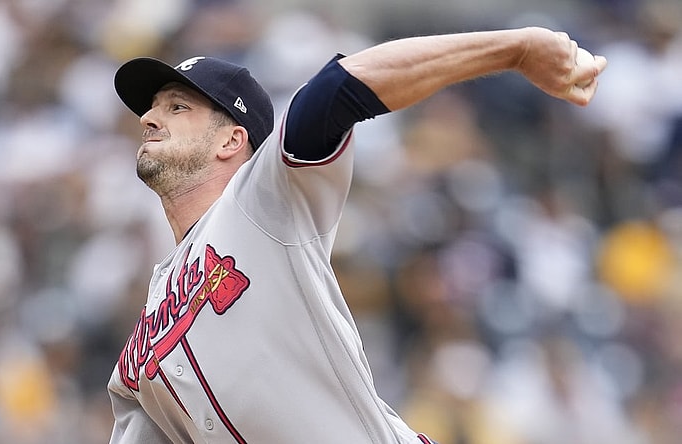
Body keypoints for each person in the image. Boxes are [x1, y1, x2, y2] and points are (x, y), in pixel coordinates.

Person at [107, 26, 607, 443]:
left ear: (232, 140)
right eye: (152, 107)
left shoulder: (261, 203)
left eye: (177, 107)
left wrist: (517, 49)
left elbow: (333, 91)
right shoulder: (140, 348)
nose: (149, 117)